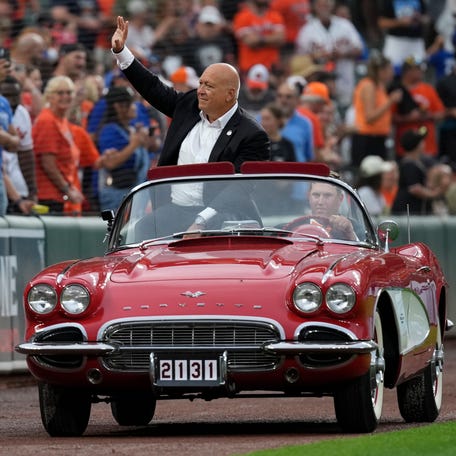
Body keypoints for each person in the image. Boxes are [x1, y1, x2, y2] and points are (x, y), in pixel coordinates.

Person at [111, 15, 270, 230]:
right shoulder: (189, 105)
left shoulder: (252, 134)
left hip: (222, 217)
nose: (201, 91)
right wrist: (122, 53)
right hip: (174, 211)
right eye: (201, 83)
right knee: (142, 230)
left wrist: (201, 222)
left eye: (209, 86)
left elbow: (239, 189)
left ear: (229, 94)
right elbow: (153, 88)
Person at [295, 0, 364, 108]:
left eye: (326, 4)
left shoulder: (345, 25)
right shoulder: (307, 30)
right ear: (314, 7)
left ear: (332, 6)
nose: (324, 8)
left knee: (347, 106)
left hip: (344, 76)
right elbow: (300, 59)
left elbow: (359, 49)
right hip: (321, 78)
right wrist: (317, 56)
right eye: (321, 5)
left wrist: (343, 54)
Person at [32, 75, 85, 213]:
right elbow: (48, 163)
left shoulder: (61, 120)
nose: (65, 96)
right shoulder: (47, 121)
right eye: (60, 93)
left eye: (69, 92)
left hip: (58, 194)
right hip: (46, 194)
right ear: (49, 96)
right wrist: (68, 189)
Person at [97, 86, 150, 212]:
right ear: (118, 106)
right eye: (131, 103)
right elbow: (110, 163)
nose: (135, 107)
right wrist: (134, 144)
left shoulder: (131, 129)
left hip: (135, 194)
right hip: (117, 197)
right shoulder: (109, 131)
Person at [351, 51, 402, 167]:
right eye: (390, 69)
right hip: (367, 139)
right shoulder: (369, 86)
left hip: (378, 138)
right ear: (381, 71)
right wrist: (390, 101)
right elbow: (370, 117)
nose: (392, 73)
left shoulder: (380, 86)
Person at [392, 127, 442, 215]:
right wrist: (434, 194)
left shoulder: (417, 162)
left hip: (414, 211)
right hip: (406, 213)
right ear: (417, 145)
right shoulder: (409, 165)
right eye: (421, 141)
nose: (423, 143)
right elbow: (415, 189)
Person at [232, 0, 286, 76]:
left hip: (272, 68)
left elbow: (281, 39)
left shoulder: (274, 15)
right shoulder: (242, 16)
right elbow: (250, 41)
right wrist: (271, 38)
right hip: (250, 70)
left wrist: (259, 39)